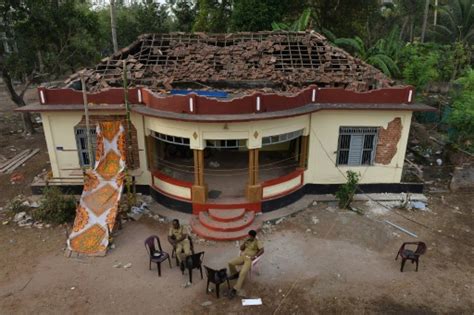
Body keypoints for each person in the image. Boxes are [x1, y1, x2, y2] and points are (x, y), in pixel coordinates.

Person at [228, 230, 264, 298]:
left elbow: (262, 250)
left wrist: (255, 256)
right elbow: (241, 248)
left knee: (243, 273)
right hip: (243, 256)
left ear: (253, 236)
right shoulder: (247, 240)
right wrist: (244, 243)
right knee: (230, 263)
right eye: (248, 235)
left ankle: (236, 289)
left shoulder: (257, 242)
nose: (249, 236)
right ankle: (235, 274)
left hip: (249, 259)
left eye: (250, 236)